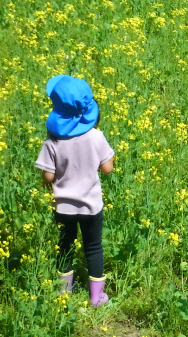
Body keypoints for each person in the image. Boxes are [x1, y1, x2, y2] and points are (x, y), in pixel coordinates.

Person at [35, 75, 115, 307]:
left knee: (65, 246)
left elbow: (48, 175)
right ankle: (96, 297)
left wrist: (48, 179)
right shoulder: (96, 136)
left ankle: (64, 293)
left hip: (63, 207)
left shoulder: (52, 142)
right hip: (91, 206)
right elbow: (107, 169)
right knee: (93, 247)